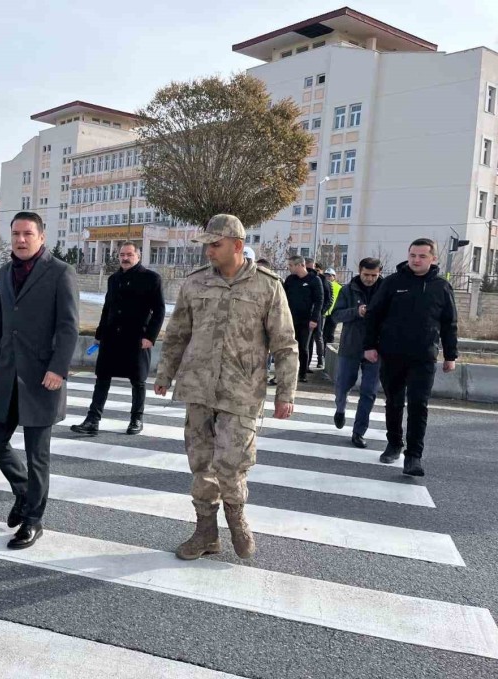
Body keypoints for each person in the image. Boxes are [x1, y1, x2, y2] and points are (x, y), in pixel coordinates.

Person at [155, 214, 298, 560]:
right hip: (198, 387)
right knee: (201, 462)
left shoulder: (267, 285)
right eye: (206, 245)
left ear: (237, 245)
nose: (208, 252)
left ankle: (237, 519)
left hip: (242, 390)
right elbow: (177, 334)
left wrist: (286, 393)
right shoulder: (195, 284)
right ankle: (205, 532)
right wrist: (164, 373)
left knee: (232, 463)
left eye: (215, 245)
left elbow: (285, 342)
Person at [0, 211, 80, 549]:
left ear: (41, 236)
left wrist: (58, 368)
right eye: (15, 234)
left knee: (38, 454)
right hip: (7, 371)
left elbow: (68, 327)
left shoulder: (60, 272)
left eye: (27, 234)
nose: (20, 240)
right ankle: (23, 491)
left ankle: (33, 520)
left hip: (42, 377)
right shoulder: (6, 271)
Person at [362, 238, 459, 476]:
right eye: (413, 255)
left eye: (422, 256)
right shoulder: (393, 283)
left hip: (423, 357)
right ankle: (394, 443)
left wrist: (450, 355)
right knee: (394, 402)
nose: (416, 260)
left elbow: (450, 324)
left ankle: (413, 456)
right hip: (392, 354)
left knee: (418, 405)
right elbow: (373, 315)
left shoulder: (441, 286)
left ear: (433, 258)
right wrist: (369, 346)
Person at [71, 242, 165, 436]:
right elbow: (107, 308)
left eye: (129, 254)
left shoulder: (151, 278)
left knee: (138, 381)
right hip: (112, 338)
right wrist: (99, 334)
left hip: (137, 339)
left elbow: (160, 310)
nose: (125, 258)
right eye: (122, 254)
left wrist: (150, 337)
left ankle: (136, 419)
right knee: (102, 378)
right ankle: (92, 420)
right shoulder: (114, 279)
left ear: (138, 256)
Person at [328, 258, 383, 449]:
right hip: (351, 346)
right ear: (359, 271)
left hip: (376, 349)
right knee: (343, 385)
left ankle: (359, 432)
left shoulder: (385, 290)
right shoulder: (347, 290)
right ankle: (340, 408)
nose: (369, 279)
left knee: (369, 392)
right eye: (366, 274)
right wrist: (356, 312)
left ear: (379, 272)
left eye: (373, 275)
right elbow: (335, 315)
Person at [283, 255, 323, 382]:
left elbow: (319, 301)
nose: (289, 268)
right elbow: (283, 298)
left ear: (300, 265)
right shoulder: (290, 280)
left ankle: (302, 373)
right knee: (287, 347)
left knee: (303, 347)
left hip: (306, 320)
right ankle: (286, 373)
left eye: (291, 265)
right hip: (290, 319)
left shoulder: (314, 280)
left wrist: (314, 319)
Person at [322, 267, 342, 345]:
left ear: (334, 276)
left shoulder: (339, 287)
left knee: (330, 333)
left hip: (333, 312)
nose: (328, 277)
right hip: (325, 312)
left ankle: (328, 352)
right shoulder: (323, 284)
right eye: (326, 275)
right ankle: (324, 351)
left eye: (329, 276)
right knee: (324, 333)